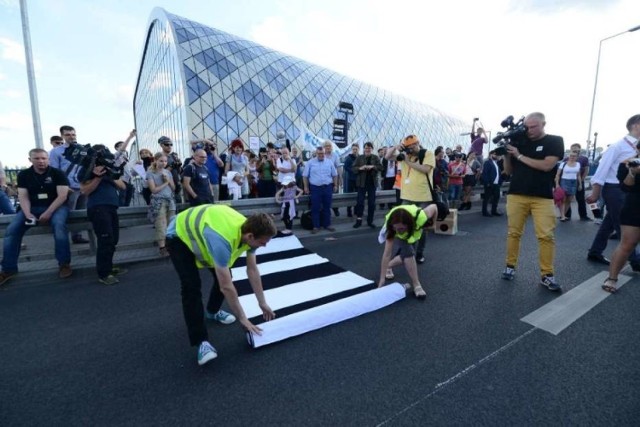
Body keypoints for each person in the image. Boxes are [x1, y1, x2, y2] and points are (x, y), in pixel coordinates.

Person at [166, 205, 277, 365]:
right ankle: (201, 342)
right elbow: (226, 286)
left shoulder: (250, 231)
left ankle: (212, 311)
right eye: (262, 242)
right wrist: (243, 318)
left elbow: (252, 270)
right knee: (191, 287)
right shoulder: (222, 240)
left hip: (205, 230)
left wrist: (263, 303)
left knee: (224, 276)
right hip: (178, 235)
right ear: (251, 236)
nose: (264, 246)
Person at [500, 112, 564, 291]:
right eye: (527, 126)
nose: (529, 130)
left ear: (544, 123)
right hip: (516, 194)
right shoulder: (520, 141)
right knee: (514, 233)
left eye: (533, 126)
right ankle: (509, 267)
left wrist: (519, 155)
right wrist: (507, 155)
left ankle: (547, 275)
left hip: (542, 197)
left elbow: (547, 166)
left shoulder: (554, 141)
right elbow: (508, 172)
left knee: (546, 236)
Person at [0, 149, 71, 286]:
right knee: (12, 231)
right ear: (30, 160)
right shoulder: (24, 175)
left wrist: (49, 212)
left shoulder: (58, 173)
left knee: (59, 226)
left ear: (48, 159)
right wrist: (27, 214)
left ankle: (64, 264)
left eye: (44, 158)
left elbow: (62, 196)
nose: (41, 161)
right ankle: (8, 269)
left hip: (56, 207)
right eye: (37, 158)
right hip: (31, 207)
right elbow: (23, 196)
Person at [586, 114, 640, 271]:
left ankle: (595, 252)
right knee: (623, 226)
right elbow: (601, 171)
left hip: (626, 190)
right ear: (636, 125)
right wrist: (595, 193)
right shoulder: (617, 146)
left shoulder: (635, 147)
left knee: (609, 223)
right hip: (614, 189)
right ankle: (635, 261)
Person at [80, 146, 127, 286]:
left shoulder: (110, 169)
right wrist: (97, 177)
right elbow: (85, 191)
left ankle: (109, 266)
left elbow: (123, 186)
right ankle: (104, 273)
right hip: (98, 208)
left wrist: (109, 173)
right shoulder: (86, 170)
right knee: (105, 240)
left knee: (113, 240)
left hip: (112, 208)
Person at [384, 135, 435, 264]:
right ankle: (405, 251)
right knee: (402, 225)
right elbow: (387, 157)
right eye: (407, 147)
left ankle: (419, 253)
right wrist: (396, 147)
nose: (409, 149)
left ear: (417, 143)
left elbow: (425, 169)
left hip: (423, 196)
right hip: (406, 196)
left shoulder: (427, 154)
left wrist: (407, 161)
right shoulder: (404, 156)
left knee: (421, 226)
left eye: (411, 146)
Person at [377, 204, 439, 300]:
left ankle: (389, 265)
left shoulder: (421, 216)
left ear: (408, 224)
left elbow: (434, 207)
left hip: (414, 230)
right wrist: (382, 278)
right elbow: (387, 253)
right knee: (409, 254)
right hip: (406, 233)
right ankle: (416, 284)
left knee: (406, 257)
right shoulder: (390, 228)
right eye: (396, 228)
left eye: (401, 228)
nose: (398, 231)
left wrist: (434, 224)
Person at [601, 156, 640, 293]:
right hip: (634, 208)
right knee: (627, 244)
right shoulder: (628, 164)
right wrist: (632, 172)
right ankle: (612, 278)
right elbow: (625, 187)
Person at [49, 125, 89, 244]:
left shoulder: (83, 149)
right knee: (68, 212)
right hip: (68, 187)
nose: (71, 137)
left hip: (82, 185)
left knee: (81, 211)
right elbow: (54, 170)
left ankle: (77, 235)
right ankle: (63, 237)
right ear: (62, 136)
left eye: (73, 134)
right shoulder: (56, 152)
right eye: (67, 135)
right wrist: (63, 187)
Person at [302, 145, 338, 234]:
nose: (321, 155)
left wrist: (335, 185)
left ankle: (327, 224)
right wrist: (306, 187)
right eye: (319, 154)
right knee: (315, 208)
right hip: (315, 188)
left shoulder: (329, 162)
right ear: (316, 153)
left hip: (327, 187)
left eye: (322, 153)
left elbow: (335, 174)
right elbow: (305, 176)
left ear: (324, 153)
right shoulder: (310, 163)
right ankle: (316, 226)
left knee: (327, 207)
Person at [146, 152, 176, 257]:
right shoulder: (150, 173)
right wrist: (165, 183)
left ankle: (171, 245)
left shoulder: (168, 172)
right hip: (159, 201)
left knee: (171, 224)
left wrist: (168, 181)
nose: (163, 163)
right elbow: (153, 190)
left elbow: (173, 188)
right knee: (161, 225)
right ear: (155, 160)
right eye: (161, 161)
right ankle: (162, 248)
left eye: (165, 161)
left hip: (170, 200)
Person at [352, 142, 383, 228]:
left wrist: (373, 167)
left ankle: (370, 221)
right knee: (360, 202)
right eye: (366, 148)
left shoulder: (376, 157)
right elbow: (353, 168)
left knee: (372, 203)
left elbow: (381, 167)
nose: (367, 149)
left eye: (369, 148)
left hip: (372, 184)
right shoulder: (359, 158)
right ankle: (359, 220)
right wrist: (360, 168)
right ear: (364, 149)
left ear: (372, 149)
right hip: (361, 183)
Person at [564, 143, 591, 221]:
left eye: (576, 148)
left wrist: (581, 181)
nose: (575, 150)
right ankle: (566, 215)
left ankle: (583, 216)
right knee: (567, 199)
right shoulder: (566, 159)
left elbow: (586, 170)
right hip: (568, 182)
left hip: (579, 181)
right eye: (573, 148)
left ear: (579, 149)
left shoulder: (584, 159)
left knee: (581, 199)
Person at [555, 151, 582, 222]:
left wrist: (580, 184)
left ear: (577, 157)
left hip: (574, 182)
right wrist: (557, 184)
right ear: (568, 156)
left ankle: (562, 214)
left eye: (574, 156)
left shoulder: (578, 164)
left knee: (569, 200)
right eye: (571, 156)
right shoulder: (563, 164)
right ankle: (563, 216)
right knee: (563, 200)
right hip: (564, 181)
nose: (572, 157)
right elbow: (557, 175)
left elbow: (578, 175)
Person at [158, 136, 183, 204]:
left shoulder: (173, 156)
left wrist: (179, 166)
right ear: (161, 145)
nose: (169, 146)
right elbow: (159, 173)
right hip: (165, 187)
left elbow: (179, 171)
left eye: (171, 144)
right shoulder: (159, 157)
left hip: (176, 186)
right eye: (166, 144)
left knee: (178, 209)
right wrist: (171, 166)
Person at [481, 149, 503, 217]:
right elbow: (485, 173)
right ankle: (484, 212)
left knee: (496, 197)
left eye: (497, 155)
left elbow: (498, 173)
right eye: (495, 154)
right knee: (487, 198)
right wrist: (487, 183)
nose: (496, 156)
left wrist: (500, 182)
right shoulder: (488, 162)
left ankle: (494, 211)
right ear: (491, 155)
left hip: (496, 184)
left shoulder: (496, 163)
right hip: (490, 183)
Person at [342, 143, 359, 217]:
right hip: (351, 180)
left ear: (358, 149)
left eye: (356, 149)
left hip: (358, 180)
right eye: (353, 149)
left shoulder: (360, 157)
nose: (355, 150)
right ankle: (349, 211)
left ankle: (356, 211)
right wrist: (353, 170)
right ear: (352, 150)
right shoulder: (349, 158)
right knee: (350, 195)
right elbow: (346, 167)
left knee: (357, 196)